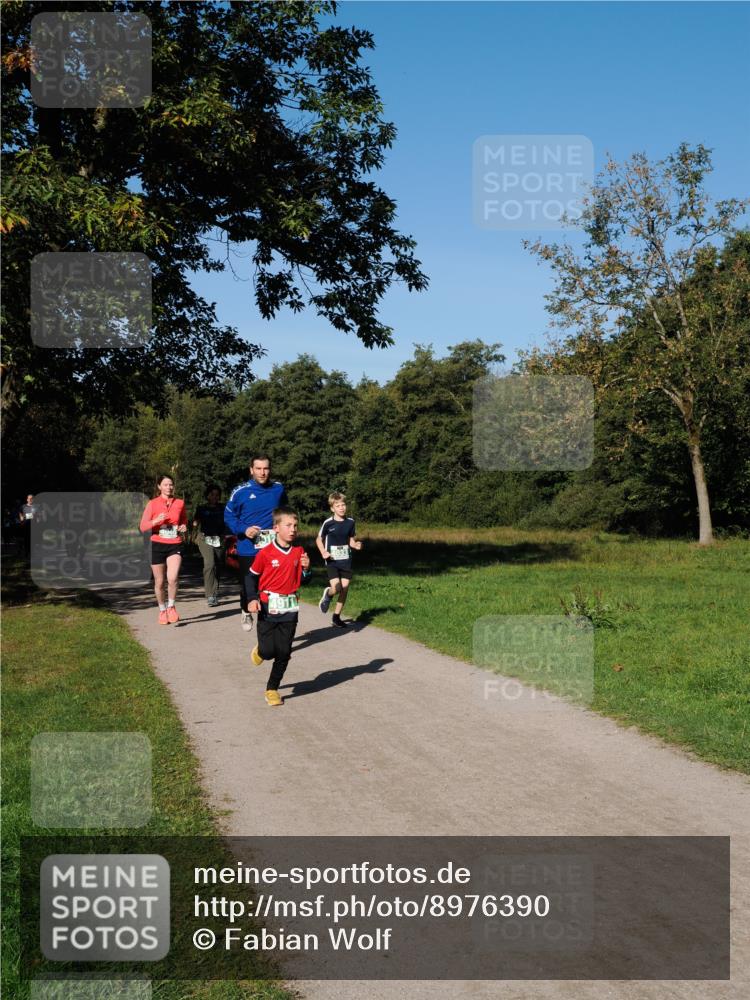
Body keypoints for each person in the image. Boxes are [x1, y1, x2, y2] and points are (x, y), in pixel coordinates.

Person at [247, 506, 311, 706]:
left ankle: (272, 689)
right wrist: (252, 598)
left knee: (284, 652)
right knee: (268, 652)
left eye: (295, 526)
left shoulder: (299, 552)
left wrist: (307, 569)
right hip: (268, 607)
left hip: (290, 608)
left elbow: (304, 580)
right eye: (288, 525)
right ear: (276, 528)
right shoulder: (265, 554)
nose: (293, 529)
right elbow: (251, 577)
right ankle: (260, 651)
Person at [224, 455, 287, 632]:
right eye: (258, 468)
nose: (262, 472)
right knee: (248, 585)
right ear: (251, 470)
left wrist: (283, 530)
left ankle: (266, 621)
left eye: (266, 468)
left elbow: (285, 512)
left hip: (272, 546)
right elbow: (229, 516)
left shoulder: (278, 488)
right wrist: (244, 529)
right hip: (248, 548)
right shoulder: (240, 491)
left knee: (270, 585)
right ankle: (245, 609)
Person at [139, 475, 188, 624]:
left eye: (171, 484)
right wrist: (156, 521)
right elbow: (142, 527)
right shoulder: (152, 504)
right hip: (157, 543)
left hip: (174, 542)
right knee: (159, 582)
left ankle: (171, 607)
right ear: (159, 487)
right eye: (165, 485)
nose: (169, 487)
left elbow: (184, 520)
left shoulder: (179, 503)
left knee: (172, 578)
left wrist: (183, 526)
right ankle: (162, 610)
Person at [316, 491, 362, 627]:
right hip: (332, 560)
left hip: (346, 559)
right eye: (338, 506)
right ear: (332, 508)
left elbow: (351, 541)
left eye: (343, 505)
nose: (341, 508)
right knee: (336, 588)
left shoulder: (350, 522)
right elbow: (319, 539)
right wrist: (323, 551)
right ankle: (329, 594)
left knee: (345, 588)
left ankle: (336, 617)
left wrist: (356, 545)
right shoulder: (328, 523)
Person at [192, 484, 227, 607]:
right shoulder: (201, 508)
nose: (214, 497)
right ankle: (210, 595)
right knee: (209, 564)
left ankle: (214, 592)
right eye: (212, 494)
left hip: (219, 539)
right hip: (204, 538)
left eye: (217, 495)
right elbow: (195, 522)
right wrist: (194, 526)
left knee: (217, 565)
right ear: (207, 495)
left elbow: (229, 520)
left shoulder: (224, 508)